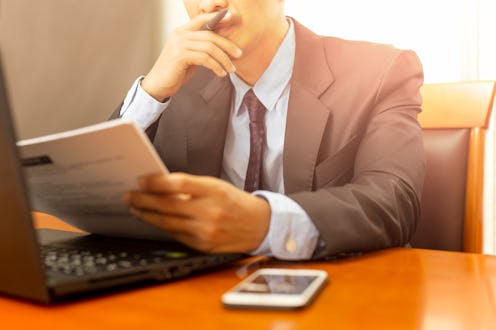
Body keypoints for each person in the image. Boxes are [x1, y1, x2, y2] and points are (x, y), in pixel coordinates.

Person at [114, 0, 425, 260]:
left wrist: (263, 222)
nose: (208, 5)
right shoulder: (178, 83)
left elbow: (393, 203)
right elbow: (99, 193)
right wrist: (151, 92)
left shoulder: (380, 71)